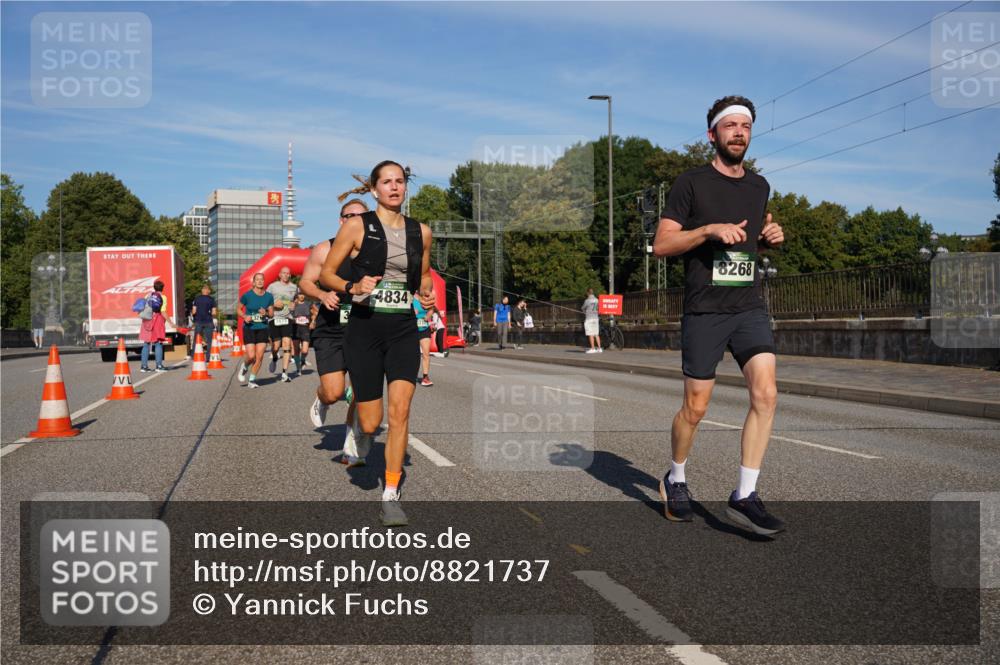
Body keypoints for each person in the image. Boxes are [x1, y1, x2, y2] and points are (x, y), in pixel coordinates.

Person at [652, 95, 785, 535]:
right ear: (713, 134)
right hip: (705, 308)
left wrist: (769, 238)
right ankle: (676, 476)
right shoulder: (690, 184)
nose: (738, 133)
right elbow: (663, 245)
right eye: (729, 126)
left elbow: (747, 243)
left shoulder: (759, 187)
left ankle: (745, 494)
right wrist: (707, 230)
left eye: (745, 126)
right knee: (696, 407)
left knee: (766, 395)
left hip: (748, 305)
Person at [320, 160, 436, 527]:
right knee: (372, 423)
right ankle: (360, 432)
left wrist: (428, 296)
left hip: (402, 329)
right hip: (364, 328)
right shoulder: (357, 226)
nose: (394, 187)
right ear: (373, 190)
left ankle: (390, 494)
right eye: (386, 182)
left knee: (400, 413)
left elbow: (424, 278)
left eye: (400, 181)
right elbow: (327, 273)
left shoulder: (422, 232)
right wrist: (352, 287)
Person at [298, 198, 366, 463]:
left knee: (362, 391)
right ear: (341, 220)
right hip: (331, 330)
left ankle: (351, 445)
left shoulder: (375, 253)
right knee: (334, 391)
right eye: (350, 216)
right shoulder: (325, 249)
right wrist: (322, 294)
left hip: (364, 329)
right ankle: (321, 398)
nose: (355, 220)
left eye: (362, 216)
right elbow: (305, 282)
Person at [238, 272, 274, 389]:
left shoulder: (269, 296)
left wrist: (266, 313)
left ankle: (252, 380)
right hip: (249, 328)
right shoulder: (247, 295)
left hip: (263, 328)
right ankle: (244, 366)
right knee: (251, 356)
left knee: (259, 356)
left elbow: (272, 314)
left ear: (264, 282)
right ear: (253, 282)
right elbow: (238, 309)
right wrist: (244, 316)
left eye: (262, 280)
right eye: (257, 280)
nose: (259, 281)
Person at [267, 267, 298, 382]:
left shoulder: (294, 287)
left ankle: (284, 373)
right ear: (279, 275)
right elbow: (265, 301)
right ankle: (275, 357)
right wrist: (273, 305)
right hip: (274, 318)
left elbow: (295, 300)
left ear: (290, 275)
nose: (286, 275)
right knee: (276, 345)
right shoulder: (272, 286)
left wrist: (294, 305)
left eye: (288, 273)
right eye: (284, 273)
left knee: (286, 343)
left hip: (287, 318)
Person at [139, 280, 174, 373]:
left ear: (154, 287)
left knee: (146, 343)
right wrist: (170, 322)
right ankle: (159, 365)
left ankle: (144, 366)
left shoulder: (148, 295)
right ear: (162, 288)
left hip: (147, 320)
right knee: (158, 343)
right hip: (157, 320)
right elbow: (162, 311)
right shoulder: (163, 297)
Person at [191, 283, 217, 356]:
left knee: (196, 339)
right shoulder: (212, 300)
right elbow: (214, 312)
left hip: (198, 321)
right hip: (208, 321)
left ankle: (194, 355)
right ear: (208, 291)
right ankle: (209, 356)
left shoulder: (197, 299)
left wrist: (194, 317)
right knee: (209, 340)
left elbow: (194, 311)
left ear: (202, 291)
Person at [291, 292, 312, 374]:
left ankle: (303, 360)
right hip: (295, 328)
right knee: (296, 350)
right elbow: (288, 314)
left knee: (305, 350)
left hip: (305, 328)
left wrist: (313, 321)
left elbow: (315, 313)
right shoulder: (293, 304)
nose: (302, 296)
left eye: (303, 294)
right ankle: (298, 369)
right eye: (300, 294)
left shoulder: (308, 304)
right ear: (297, 296)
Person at [414, 298, 433, 386]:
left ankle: (425, 377)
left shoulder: (426, 297)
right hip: (412, 329)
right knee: (413, 353)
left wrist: (429, 314)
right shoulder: (410, 295)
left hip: (424, 328)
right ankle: (410, 375)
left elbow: (432, 308)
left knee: (426, 353)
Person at [583, 288, 602, 353]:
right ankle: (599, 348)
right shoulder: (597, 300)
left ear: (588, 293)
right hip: (596, 318)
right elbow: (599, 309)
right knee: (596, 333)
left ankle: (593, 348)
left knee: (590, 333)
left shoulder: (587, 300)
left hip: (589, 319)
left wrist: (585, 311)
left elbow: (583, 308)